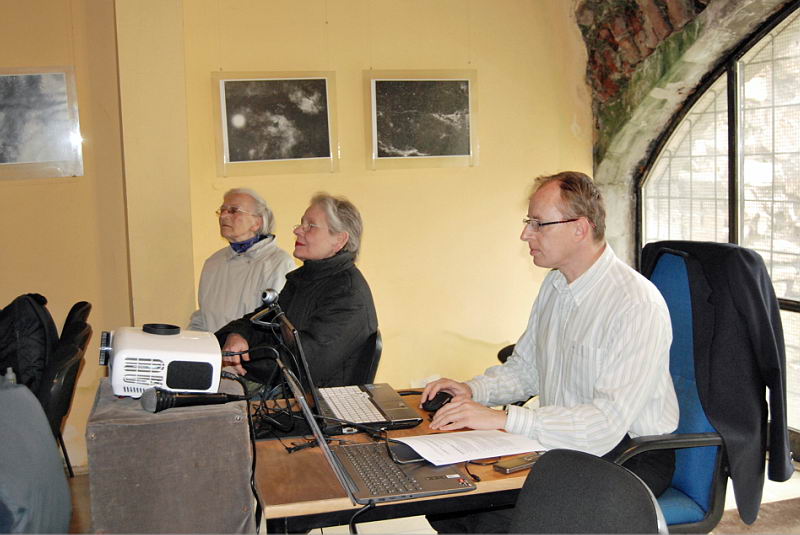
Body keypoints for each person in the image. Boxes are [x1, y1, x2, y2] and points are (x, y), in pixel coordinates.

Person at [421, 171, 679, 533]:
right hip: (568, 440)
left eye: (538, 223)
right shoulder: (556, 283)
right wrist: (472, 391)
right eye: (528, 222)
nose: (526, 234)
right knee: (449, 503)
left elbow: (605, 423)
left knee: (491, 519)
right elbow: (527, 369)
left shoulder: (635, 304)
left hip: (629, 454)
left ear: (580, 228)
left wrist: (504, 419)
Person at [216, 192, 378, 390]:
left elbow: (302, 365)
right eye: (301, 223)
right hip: (282, 391)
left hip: (311, 402)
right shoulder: (304, 278)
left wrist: (242, 358)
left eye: (311, 226)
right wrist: (237, 335)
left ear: (339, 240)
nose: (298, 230)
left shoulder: (347, 294)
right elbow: (263, 322)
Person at [188, 188, 295, 333]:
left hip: (253, 347)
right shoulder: (213, 263)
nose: (223, 216)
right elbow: (203, 318)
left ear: (257, 222)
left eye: (233, 210)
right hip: (213, 346)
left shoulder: (278, 263)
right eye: (222, 210)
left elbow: (274, 321)